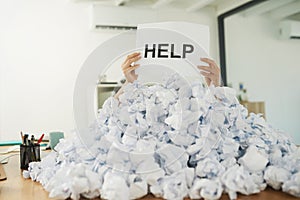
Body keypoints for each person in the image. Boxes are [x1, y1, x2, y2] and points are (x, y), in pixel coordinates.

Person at [114, 52, 221, 99]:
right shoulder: (142, 94)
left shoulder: (195, 93)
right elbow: (111, 115)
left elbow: (219, 121)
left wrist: (215, 87)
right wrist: (130, 82)